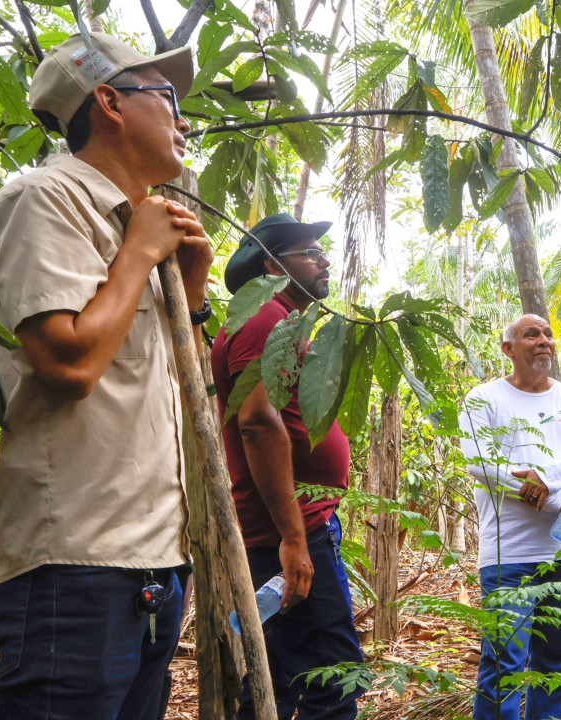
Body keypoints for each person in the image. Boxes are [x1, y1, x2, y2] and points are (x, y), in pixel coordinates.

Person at [0, 33, 212, 720]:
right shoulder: (45, 197)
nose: (183, 120)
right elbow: (68, 363)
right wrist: (139, 254)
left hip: (151, 562)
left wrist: (193, 293)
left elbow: (185, 398)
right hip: (73, 566)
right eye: (169, 98)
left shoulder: (149, 224)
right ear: (110, 101)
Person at [212, 213, 363, 720]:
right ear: (274, 265)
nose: (323, 261)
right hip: (294, 527)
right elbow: (256, 421)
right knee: (335, 675)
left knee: (277, 673)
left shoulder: (277, 320)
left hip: (296, 523)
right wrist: (294, 538)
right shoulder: (264, 319)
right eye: (309, 252)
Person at [459, 314, 561, 720]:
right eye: (531, 334)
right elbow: (479, 462)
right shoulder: (482, 398)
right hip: (509, 553)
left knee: (555, 661)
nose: (544, 341)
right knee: (504, 663)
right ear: (508, 349)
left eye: (548, 334)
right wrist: (555, 493)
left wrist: (546, 479)